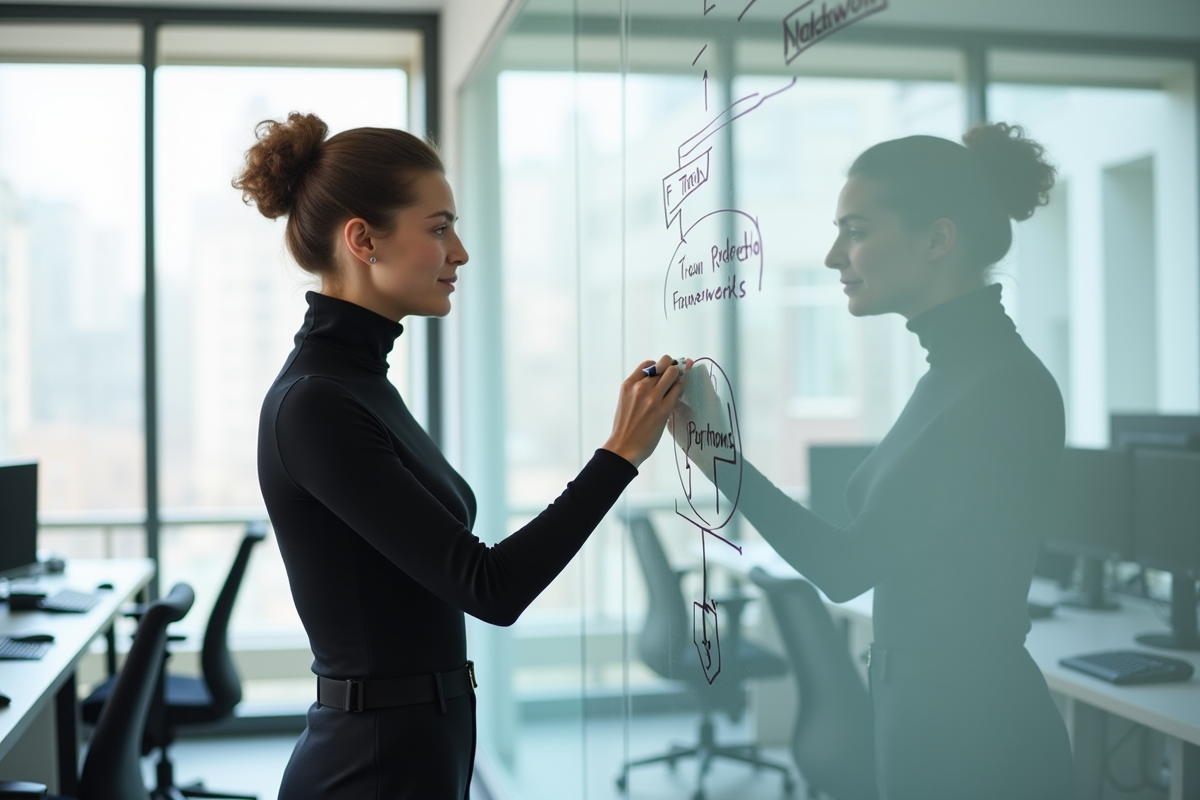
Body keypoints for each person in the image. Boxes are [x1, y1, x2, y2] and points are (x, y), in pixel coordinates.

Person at [237, 112, 685, 799]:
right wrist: (620, 453)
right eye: (439, 227)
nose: (461, 252)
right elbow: (489, 587)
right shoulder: (317, 403)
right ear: (363, 240)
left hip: (412, 750)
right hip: (371, 770)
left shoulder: (356, 383)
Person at [674, 123, 1075, 799]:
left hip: (975, 740)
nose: (834, 255)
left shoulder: (1001, 388)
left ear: (937, 240)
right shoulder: (954, 375)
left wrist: (722, 461)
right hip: (929, 720)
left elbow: (845, 565)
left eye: (856, 230)